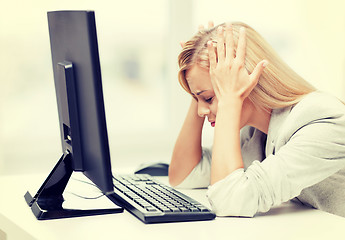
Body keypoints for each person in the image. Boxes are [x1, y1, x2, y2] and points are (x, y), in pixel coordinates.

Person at [168, 21, 345, 217]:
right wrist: (200, 86)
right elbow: (183, 175)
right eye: (198, 99)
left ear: (245, 77)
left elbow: (229, 200)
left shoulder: (322, 119)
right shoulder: (255, 133)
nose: (201, 111)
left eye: (209, 98)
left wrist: (228, 98)